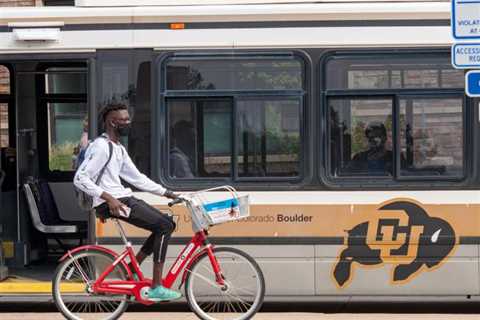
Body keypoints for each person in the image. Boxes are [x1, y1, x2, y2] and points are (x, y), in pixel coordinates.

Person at [74, 103, 181, 301]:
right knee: (165, 226)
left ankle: (132, 268)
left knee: (166, 224)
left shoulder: (118, 149)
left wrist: (167, 192)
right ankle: (157, 286)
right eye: (124, 120)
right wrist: (108, 198)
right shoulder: (101, 147)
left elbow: (137, 178)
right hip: (114, 202)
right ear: (112, 122)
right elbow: (80, 178)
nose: (128, 123)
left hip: (122, 198)